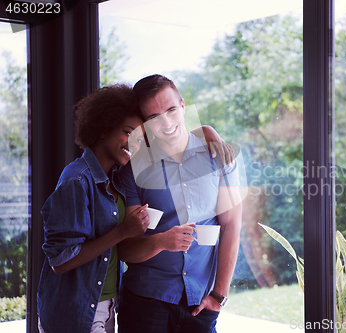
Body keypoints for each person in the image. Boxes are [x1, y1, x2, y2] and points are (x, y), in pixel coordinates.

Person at [37, 84, 231, 333]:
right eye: (128, 133)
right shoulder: (77, 180)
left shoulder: (115, 175)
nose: (134, 144)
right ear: (104, 127)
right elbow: (60, 261)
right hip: (78, 307)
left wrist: (206, 131)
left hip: (107, 302)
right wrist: (123, 232)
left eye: (141, 139)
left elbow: (171, 136)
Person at [117, 74, 243, 333]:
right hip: (144, 302)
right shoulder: (134, 170)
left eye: (172, 110)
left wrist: (219, 295)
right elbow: (125, 249)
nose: (166, 123)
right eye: (153, 118)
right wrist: (160, 241)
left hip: (200, 304)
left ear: (183, 106)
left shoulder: (219, 155)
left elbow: (231, 225)